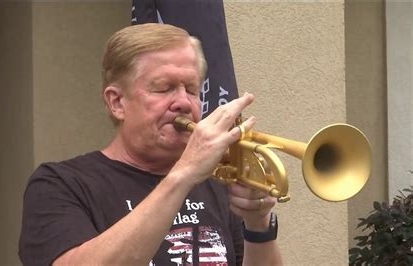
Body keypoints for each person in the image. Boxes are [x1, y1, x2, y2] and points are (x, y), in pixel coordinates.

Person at [19, 23, 282, 266]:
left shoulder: (218, 182)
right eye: (163, 88)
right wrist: (184, 173)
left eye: (191, 89)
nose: (183, 102)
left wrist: (258, 226)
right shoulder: (60, 184)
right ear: (117, 103)